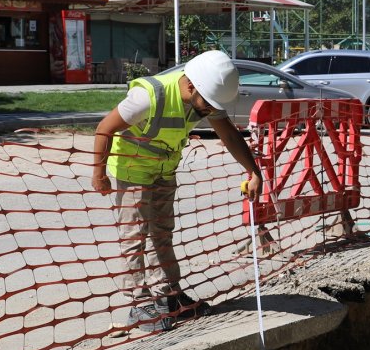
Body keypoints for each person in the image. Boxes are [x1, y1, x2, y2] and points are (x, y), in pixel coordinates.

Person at [90, 50, 262, 332]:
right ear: (191, 85)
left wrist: (254, 171)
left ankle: (167, 295)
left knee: (162, 234)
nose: (211, 111)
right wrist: (99, 174)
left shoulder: (204, 96)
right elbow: (104, 128)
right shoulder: (149, 97)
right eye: (208, 104)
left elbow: (230, 135)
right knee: (134, 237)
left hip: (163, 171)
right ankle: (139, 303)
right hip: (132, 172)